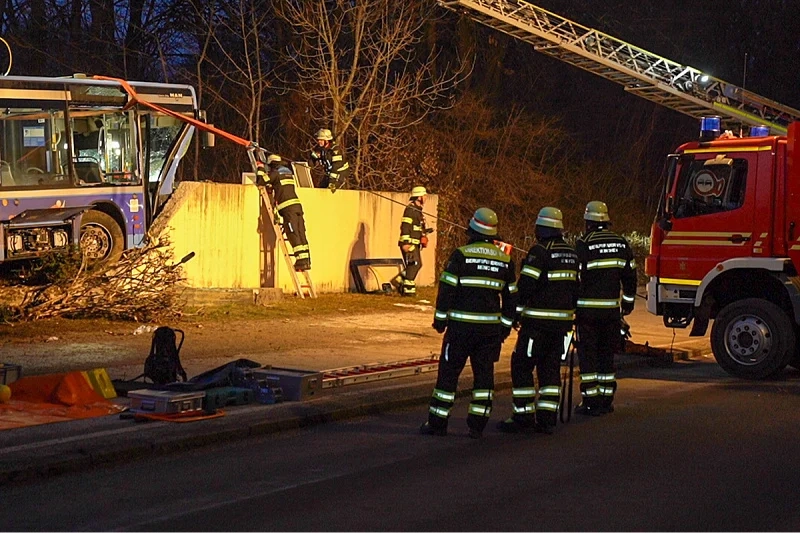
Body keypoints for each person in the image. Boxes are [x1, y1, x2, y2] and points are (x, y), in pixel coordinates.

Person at [420, 208, 518, 439]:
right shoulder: (505, 259)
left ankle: (438, 423)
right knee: (484, 377)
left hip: (460, 330)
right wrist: (504, 326)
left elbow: (447, 290)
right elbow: (511, 297)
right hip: (489, 332)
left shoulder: (461, 255)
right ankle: (477, 426)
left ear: (473, 228)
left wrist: (440, 319)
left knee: (448, 376)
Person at [498, 207, 578, 435]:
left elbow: (526, 287)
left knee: (522, 364)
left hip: (537, 325)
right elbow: (576, 289)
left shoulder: (539, 251)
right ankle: (547, 419)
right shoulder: (571, 253)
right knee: (550, 370)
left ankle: (523, 417)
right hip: (562, 326)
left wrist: (515, 312)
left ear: (542, 228)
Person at [574, 201, 637, 416]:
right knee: (606, 357)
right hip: (611, 312)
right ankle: (606, 400)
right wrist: (627, 302)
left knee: (588, 357)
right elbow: (631, 276)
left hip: (587, 313)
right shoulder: (621, 243)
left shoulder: (584, 243)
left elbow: (576, 277)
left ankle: (591, 402)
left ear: (588, 222)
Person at [256, 154, 311, 271]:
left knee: (292, 232)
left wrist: (260, 168)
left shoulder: (275, 173)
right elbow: (280, 186)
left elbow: (260, 181)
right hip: (297, 207)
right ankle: (306, 260)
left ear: (272, 164)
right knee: (301, 232)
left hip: (288, 209)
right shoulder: (288, 173)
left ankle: (300, 260)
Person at [396, 186, 432, 296]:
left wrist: (425, 232)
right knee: (415, 264)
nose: (426, 198)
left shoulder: (418, 211)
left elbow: (416, 227)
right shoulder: (410, 210)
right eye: (424, 196)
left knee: (416, 264)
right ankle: (408, 291)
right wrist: (406, 243)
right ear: (419, 197)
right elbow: (405, 226)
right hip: (409, 243)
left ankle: (399, 281)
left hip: (415, 242)